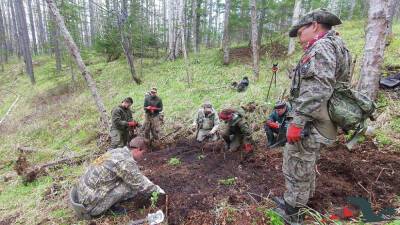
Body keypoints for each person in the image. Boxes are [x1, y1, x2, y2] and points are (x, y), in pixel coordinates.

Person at [273, 9, 352, 224]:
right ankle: (300, 201)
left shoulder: (320, 47)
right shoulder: (337, 45)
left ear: (315, 25)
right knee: (306, 161)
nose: (299, 38)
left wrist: (297, 122)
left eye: (300, 33)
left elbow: (317, 89)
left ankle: (293, 213)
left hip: (311, 119)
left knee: (296, 162)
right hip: (322, 116)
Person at [69, 138, 164, 219]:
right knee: (129, 186)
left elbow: (133, 174)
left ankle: (109, 201)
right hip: (90, 208)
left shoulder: (117, 151)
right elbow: (139, 183)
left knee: (128, 180)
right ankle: (107, 208)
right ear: (138, 149)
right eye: (144, 153)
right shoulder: (124, 161)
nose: (144, 156)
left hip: (83, 195)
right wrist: (159, 191)